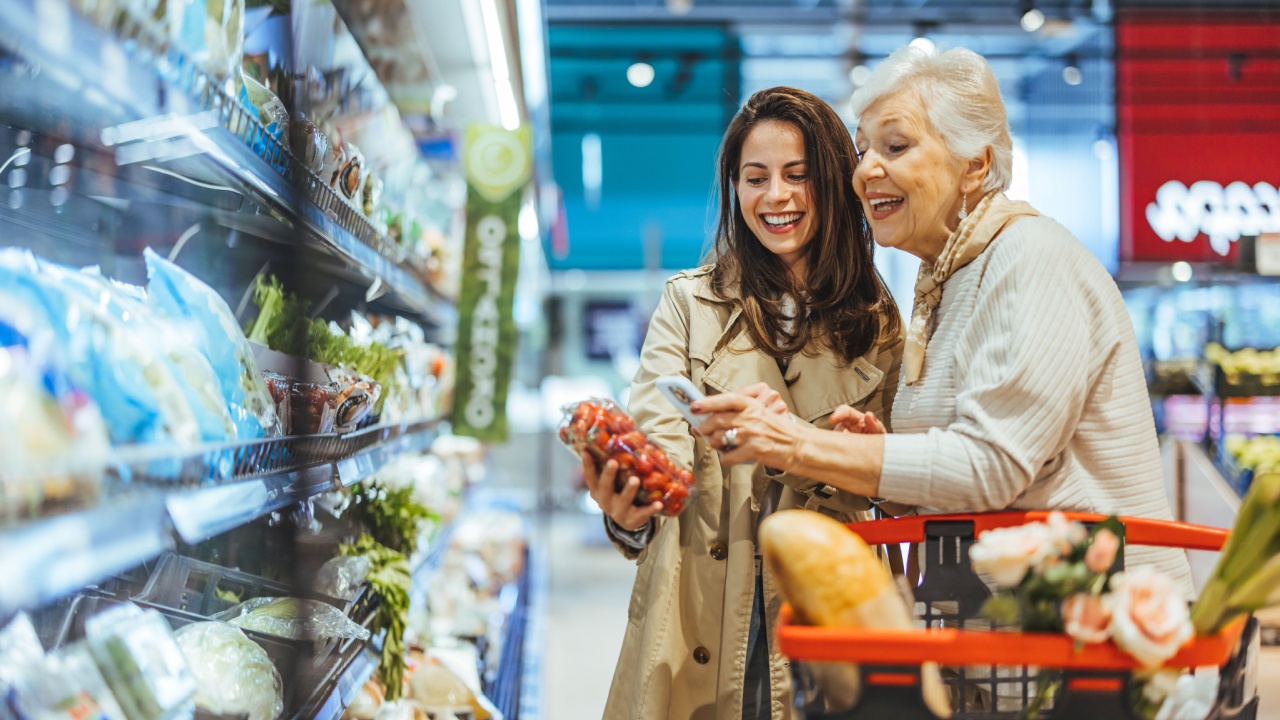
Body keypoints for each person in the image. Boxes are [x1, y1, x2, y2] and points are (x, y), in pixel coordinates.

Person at [690, 46, 1194, 593]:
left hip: (1093, 636)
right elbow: (966, 479)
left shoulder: (1027, 256)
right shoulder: (949, 281)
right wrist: (879, 454)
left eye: (896, 146)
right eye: (862, 151)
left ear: (975, 165)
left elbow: (993, 466)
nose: (864, 172)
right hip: (1000, 637)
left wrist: (793, 443)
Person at [582, 86, 904, 720]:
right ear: (734, 188)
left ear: (836, 184)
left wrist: (863, 454)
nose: (775, 197)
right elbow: (659, 451)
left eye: (797, 176)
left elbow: (904, 490)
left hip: (820, 619)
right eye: (754, 178)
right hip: (692, 616)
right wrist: (629, 509)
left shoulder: (880, 326)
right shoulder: (687, 305)